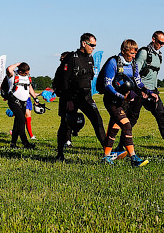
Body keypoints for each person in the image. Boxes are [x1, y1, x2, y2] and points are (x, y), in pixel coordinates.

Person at [53, 33, 107, 161]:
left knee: (97, 120)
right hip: (71, 97)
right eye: (92, 45)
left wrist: (90, 96)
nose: (93, 48)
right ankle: (60, 154)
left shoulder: (90, 59)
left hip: (86, 97)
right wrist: (67, 100)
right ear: (84, 43)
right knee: (65, 125)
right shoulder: (71, 58)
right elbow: (64, 80)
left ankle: (107, 151)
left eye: (95, 46)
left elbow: (89, 79)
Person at [97, 39, 149, 167]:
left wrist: (148, 91)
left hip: (124, 101)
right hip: (112, 101)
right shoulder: (113, 62)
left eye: (135, 53)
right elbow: (107, 84)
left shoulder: (133, 65)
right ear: (123, 51)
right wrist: (121, 96)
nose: (133, 56)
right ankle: (133, 158)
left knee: (114, 128)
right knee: (126, 125)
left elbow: (138, 81)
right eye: (131, 53)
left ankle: (106, 157)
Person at [3, 62, 38, 150]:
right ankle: (25, 143)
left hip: (23, 102)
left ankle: (13, 143)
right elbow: (8, 69)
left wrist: (35, 98)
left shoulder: (27, 78)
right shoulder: (13, 75)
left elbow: (30, 87)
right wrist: (18, 64)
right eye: (26, 72)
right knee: (22, 120)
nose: (27, 74)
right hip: (13, 101)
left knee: (17, 123)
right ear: (21, 71)